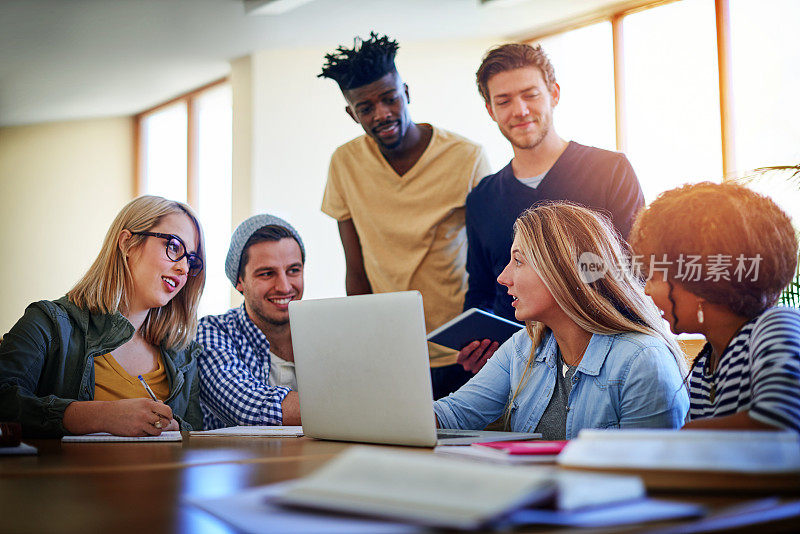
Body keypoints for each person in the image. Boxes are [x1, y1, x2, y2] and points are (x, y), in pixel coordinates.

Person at [319, 32, 491, 399]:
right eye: (366, 108)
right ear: (352, 113)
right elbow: (356, 268)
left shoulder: (467, 157)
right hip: (390, 348)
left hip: (462, 347)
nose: (381, 114)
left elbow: (490, 259)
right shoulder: (344, 163)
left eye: (389, 98)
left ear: (406, 93)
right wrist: (365, 343)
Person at [459, 43, 645, 376]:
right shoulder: (482, 198)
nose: (519, 110)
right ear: (490, 110)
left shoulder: (610, 170)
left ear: (554, 93)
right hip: (514, 365)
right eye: (503, 101)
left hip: (604, 356)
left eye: (530, 94)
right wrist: (477, 345)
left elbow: (636, 267)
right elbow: (482, 289)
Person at [434, 202, 688, 439]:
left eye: (518, 261)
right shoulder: (523, 347)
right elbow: (454, 414)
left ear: (562, 270)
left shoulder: (641, 361)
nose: (503, 277)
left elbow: (648, 474)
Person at [0, 196, 205, 437]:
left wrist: (178, 428)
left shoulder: (182, 352)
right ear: (127, 243)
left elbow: (195, 436)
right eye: (173, 247)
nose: (184, 268)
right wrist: (99, 416)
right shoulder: (48, 323)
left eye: (191, 259)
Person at [630, 182, 800, 432]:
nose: (647, 290)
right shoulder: (703, 367)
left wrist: (688, 435)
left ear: (698, 281)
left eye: (654, 277)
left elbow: (781, 423)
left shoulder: (775, 326)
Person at [196, 214, 304, 428]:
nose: (284, 286)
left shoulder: (327, 330)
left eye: (293, 270)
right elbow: (250, 410)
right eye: (266, 273)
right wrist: (350, 406)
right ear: (239, 281)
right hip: (242, 461)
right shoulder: (212, 332)